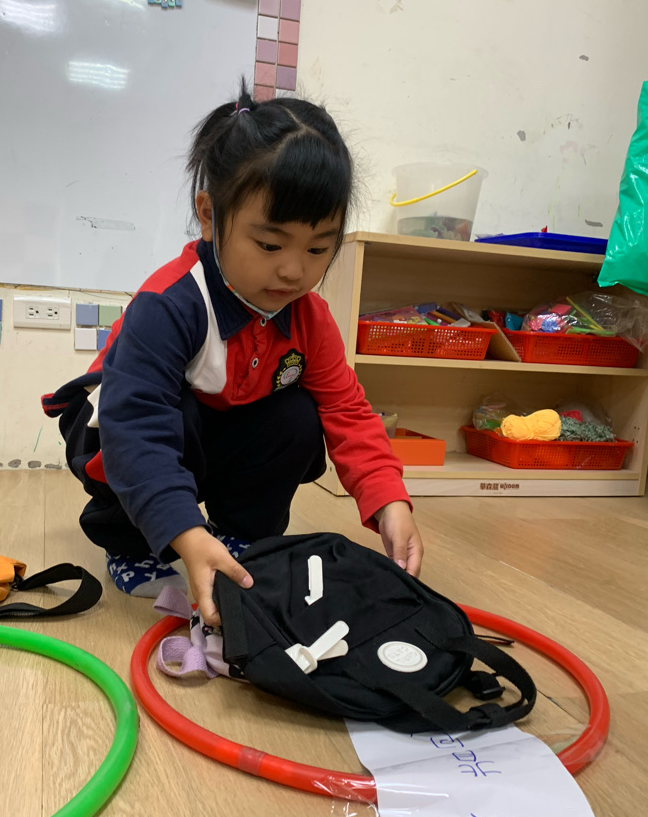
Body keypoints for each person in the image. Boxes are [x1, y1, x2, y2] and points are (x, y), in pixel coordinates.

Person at [43, 83, 423, 625]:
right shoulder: (170, 305)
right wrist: (182, 532)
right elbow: (137, 428)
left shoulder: (310, 318)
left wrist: (389, 499)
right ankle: (131, 544)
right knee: (164, 421)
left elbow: (347, 410)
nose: (293, 270)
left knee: (297, 416)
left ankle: (240, 536)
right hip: (122, 432)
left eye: (319, 248)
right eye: (269, 244)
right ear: (209, 215)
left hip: (215, 432)